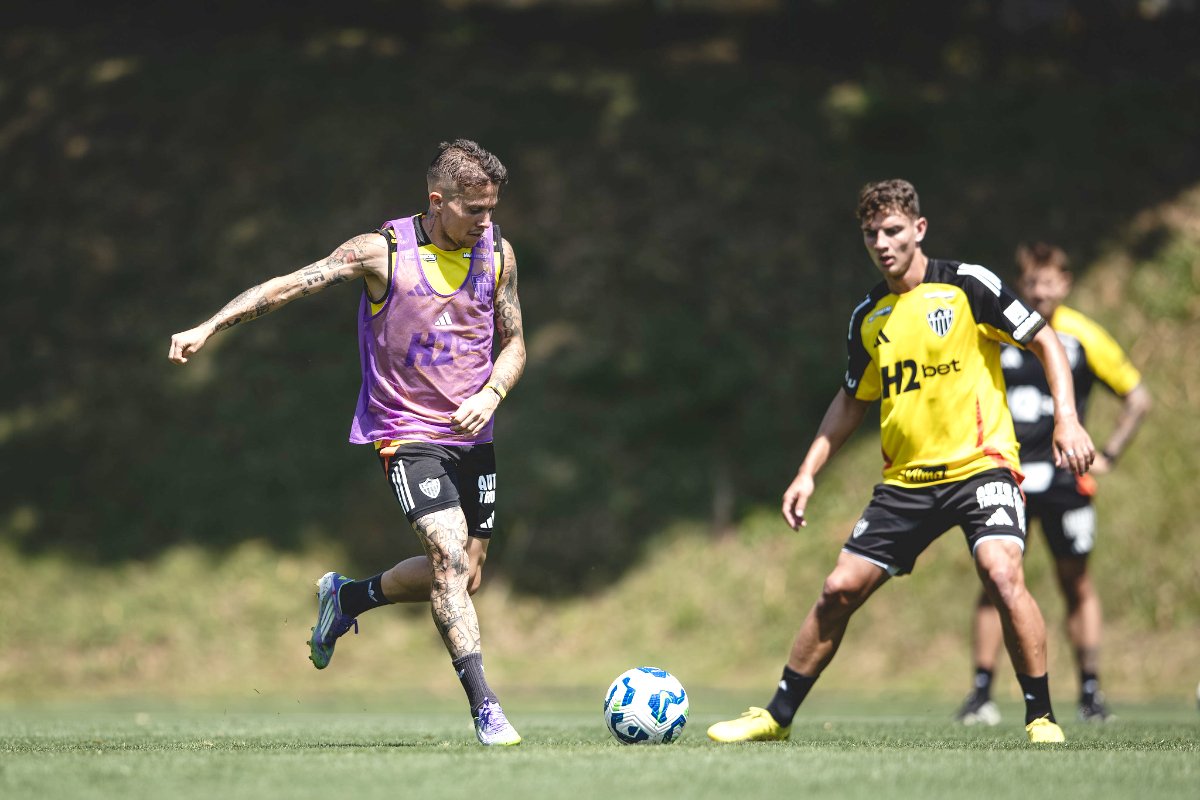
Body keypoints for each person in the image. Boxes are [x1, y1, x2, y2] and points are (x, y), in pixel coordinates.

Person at [706, 179, 1094, 745]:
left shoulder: (967, 286)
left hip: (981, 467)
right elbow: (851, 399)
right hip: (907, 483)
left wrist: (1068, 419)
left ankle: (1041, 718)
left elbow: (1045, 342)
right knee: (839, 588)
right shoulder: (870, 315)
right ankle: (776, 717)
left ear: (919, 229)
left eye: (892, 231)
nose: (882, 243)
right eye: (871, 235)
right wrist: (808, 470)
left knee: (1002, 571)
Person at [168, 139, 526, 746]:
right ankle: (486, 709)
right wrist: (208, 326)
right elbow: (289, 285)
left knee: (463, 575)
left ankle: (348, 597)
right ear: (437, 201)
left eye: (491, 209)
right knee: (444, 551)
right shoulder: (381, 253)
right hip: (406, 431)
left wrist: (491, 395)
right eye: (474, 210)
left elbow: (514, 341)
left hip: (473, 431)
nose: (486, 222)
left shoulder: (498, 254)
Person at [955, 242, 1151, 726]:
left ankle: (1090, 692)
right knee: (995, 580)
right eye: (1032, 282)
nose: (1040, 291)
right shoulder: (998, 329)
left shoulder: (1082, 336)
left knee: (1075, 583)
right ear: (1021, 285)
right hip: (1007, 476)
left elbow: (1138, 398)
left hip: (1066, 480)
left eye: (1049, 282)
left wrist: (1107, 455)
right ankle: (981, 694)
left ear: (1065, 284)